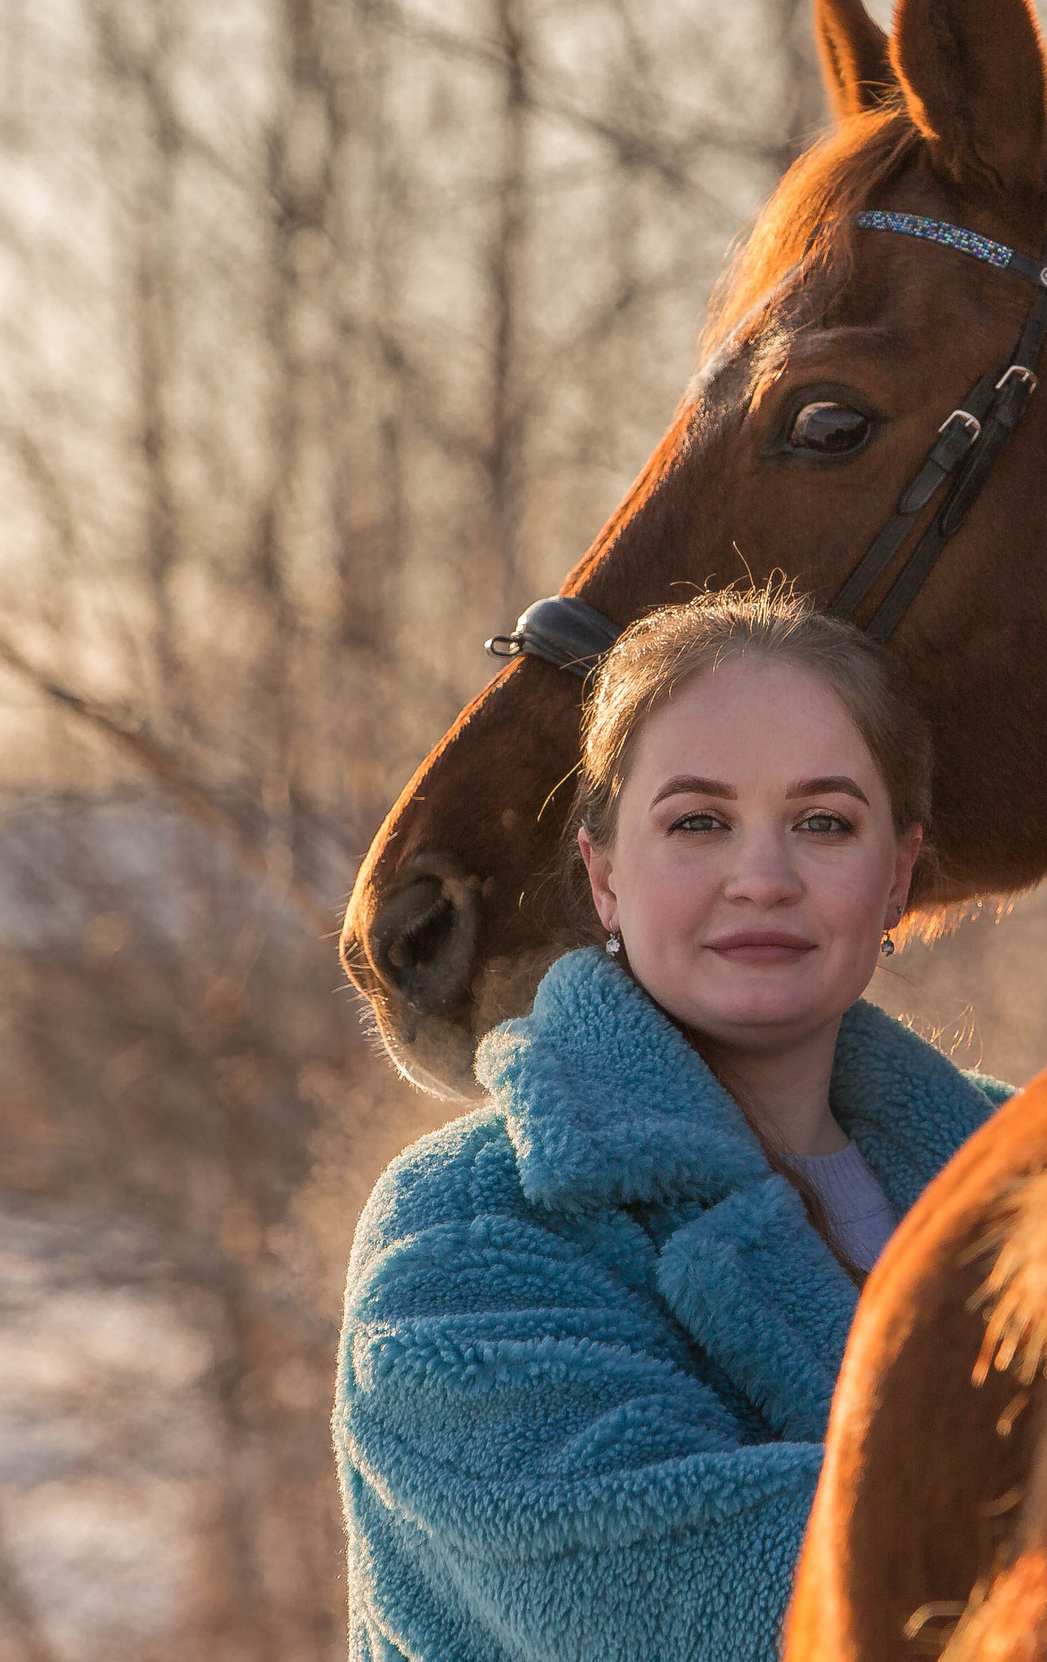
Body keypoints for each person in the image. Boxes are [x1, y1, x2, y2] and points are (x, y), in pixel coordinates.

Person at [335, 588, 1011, 1662]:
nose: (762, 878)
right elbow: (704, 1603)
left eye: (823, 822)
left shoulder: (1044, 1172)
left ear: (897, 876)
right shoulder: (467, 1229)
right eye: (698, 821)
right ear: (602, 877)